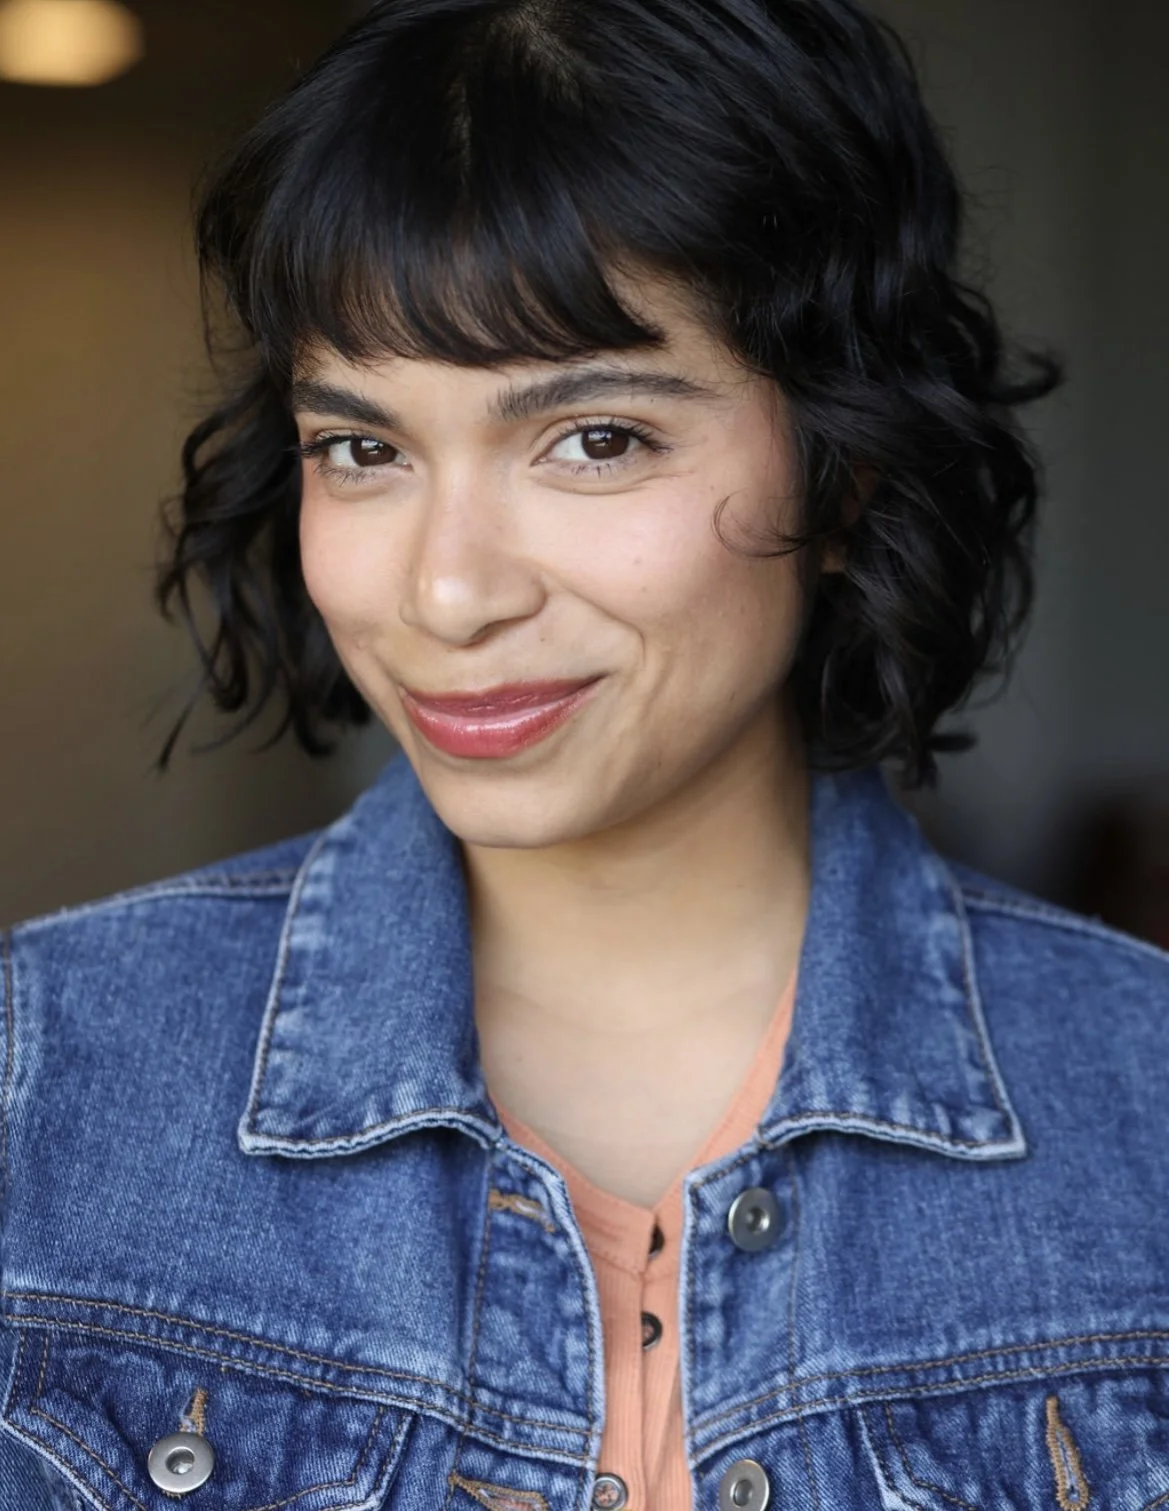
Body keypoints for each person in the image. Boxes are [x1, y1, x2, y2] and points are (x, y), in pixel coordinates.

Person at [2, 0, 1167, 1507]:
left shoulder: (1141, 1105)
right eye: (363, 448)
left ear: (846, 464)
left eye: (595, 438)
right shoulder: (43, 1078)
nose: (447, 591)